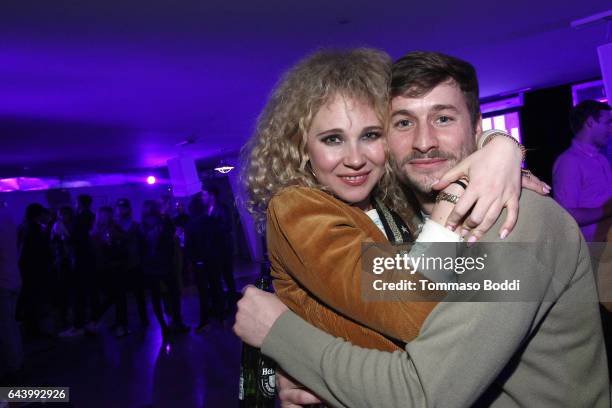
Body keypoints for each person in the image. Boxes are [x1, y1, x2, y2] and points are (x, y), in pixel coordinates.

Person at [235, 51, 609, 407]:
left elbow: (423, 384)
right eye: (403, 123)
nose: (424, 141)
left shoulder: (513, 220)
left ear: (476, 128)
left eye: (444, 119)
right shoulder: (314, 208)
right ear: (302, 148)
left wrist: (501, 147)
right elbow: (416, 311)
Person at [553, 100, 612, 242]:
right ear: (590, 122)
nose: (611, 128)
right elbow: (567, 215)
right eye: (608, 123)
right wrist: (607, 210)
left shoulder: (601, 158)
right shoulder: (569, 162)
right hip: (595, 253)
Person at [115, 198, 148, 330]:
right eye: (119, 207)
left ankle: (142, 320)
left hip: (135, 264)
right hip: (122, 265)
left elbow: (142, 245)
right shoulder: (116, 226)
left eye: (123, 207)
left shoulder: (135, 226)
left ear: (128, 209)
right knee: (122, 297)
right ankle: (123, 322)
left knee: (138, 295)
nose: (121, 209)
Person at [0, 201, 23, 385]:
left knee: (5, 327)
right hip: (13, 277)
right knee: (11, 325)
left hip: (3, 282)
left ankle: (13, 368)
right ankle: (17, 363)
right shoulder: (9, 217)